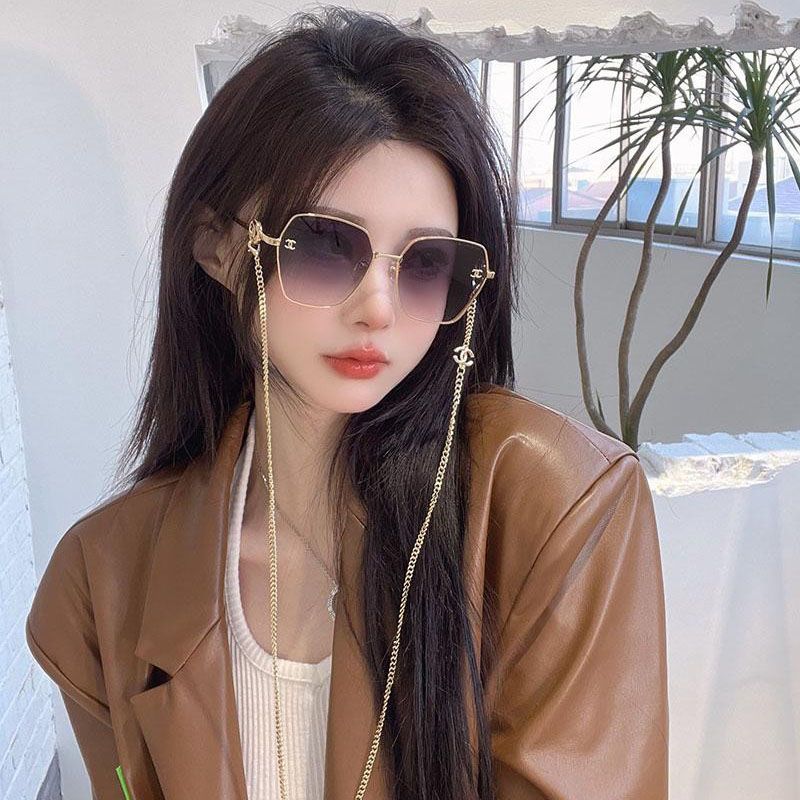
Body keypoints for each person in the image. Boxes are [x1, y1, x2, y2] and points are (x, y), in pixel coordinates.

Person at [25, 6, 669, 800]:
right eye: (327, 246)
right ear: (218, 247)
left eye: (425, 263)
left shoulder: (559, 506)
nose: (379, 308)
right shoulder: (102, 582)